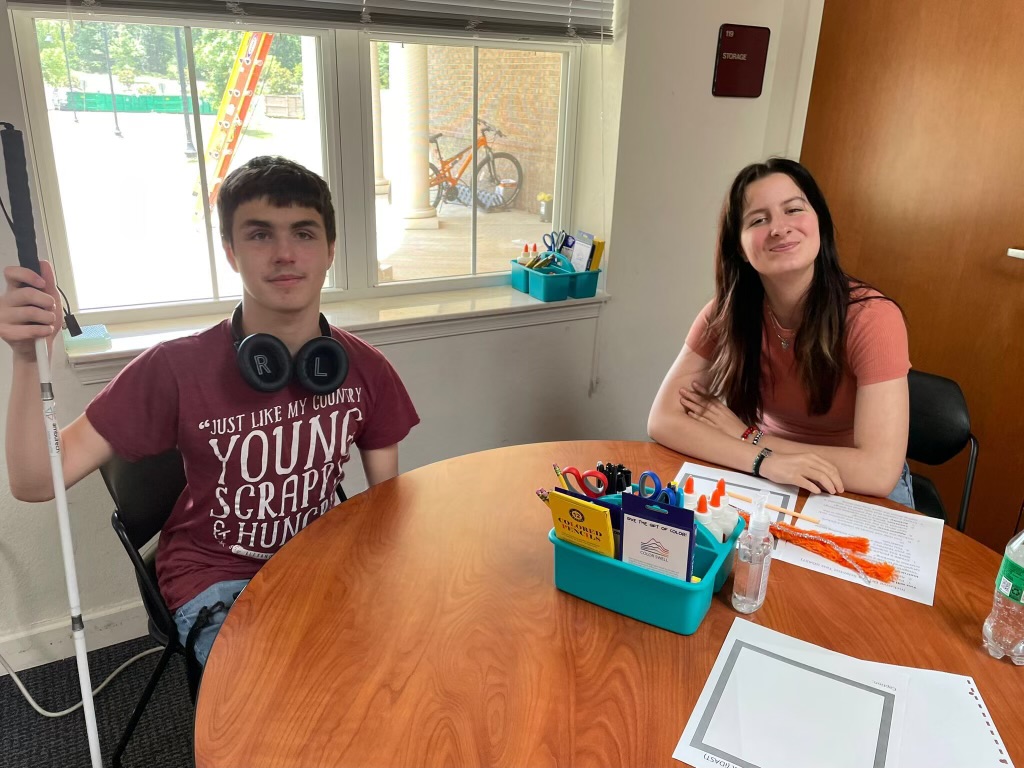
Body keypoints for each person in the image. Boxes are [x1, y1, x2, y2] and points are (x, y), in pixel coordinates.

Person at [1, 156, 420, 664]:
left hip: (317, 562)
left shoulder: (364, 369)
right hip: (215, 577)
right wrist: (27, 360)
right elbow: (33, 480)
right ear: (230, 251)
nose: (285, 253)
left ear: (330, 249)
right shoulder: (174, 368)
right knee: (272, 707)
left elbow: (386, 508)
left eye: (304, 234)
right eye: (260, 235)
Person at [648, 157, 913, 505]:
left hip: (853, 488)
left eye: (793, 210)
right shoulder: (725, 312)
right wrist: (764, 461)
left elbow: (878, 472)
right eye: (758, 220)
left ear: (820, 222)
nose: (778, 228)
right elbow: (663, 420)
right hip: (768, 476)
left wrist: (750, 438)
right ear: (739, 249)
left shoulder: (872, 317)